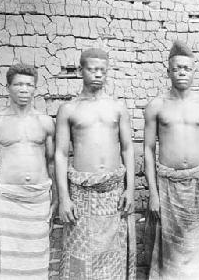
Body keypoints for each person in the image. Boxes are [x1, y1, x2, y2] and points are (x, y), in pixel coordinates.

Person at [55, 48, 136, 279]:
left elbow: (128, 148)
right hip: (81, 194)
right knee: (79, 255)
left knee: (114, 255)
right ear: (81, 70)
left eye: (102, 70)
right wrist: (64, 198)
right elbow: (60, 154)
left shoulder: (117, 108)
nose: (98, 74)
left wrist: (130, 190)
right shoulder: (69, 109)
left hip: (113, 192)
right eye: (92, 69)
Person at [144, 40, 199, 280]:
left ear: (194, 71)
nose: (182, 73)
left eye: (187, 68)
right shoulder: (157, 106)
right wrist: (153, 193)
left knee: (197, 247)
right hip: (168, 187)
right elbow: (147, 148)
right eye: (177, 68)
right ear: (168, 72)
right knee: (170, 247)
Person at [0, 63, 56, 279]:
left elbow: (51, 162)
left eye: (29, 85)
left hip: (38, 199)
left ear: (35, 88)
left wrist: (55, 198)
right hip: (7, 200)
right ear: (8, 87)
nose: (24, 89)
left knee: (37, 259)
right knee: (7, 264)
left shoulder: (46, 123)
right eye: (19, 84)